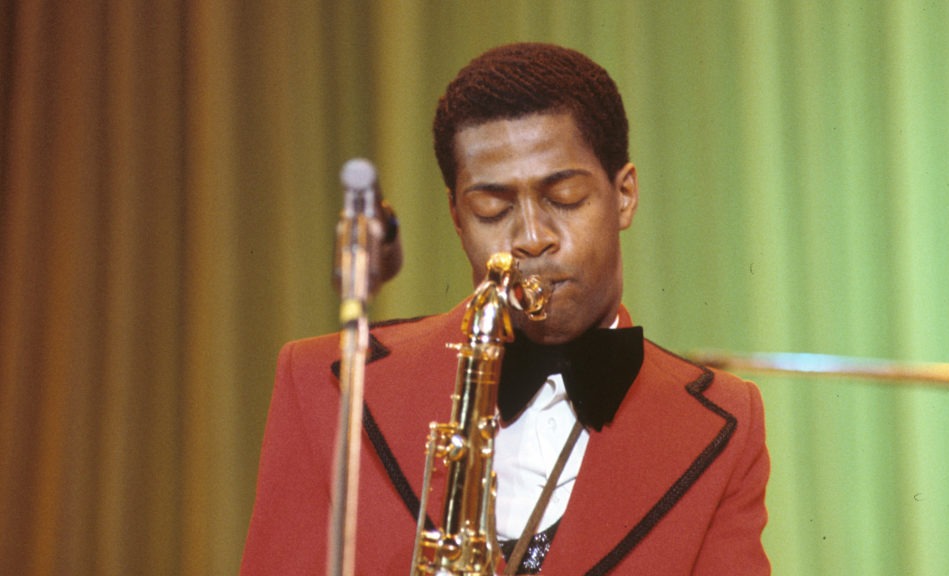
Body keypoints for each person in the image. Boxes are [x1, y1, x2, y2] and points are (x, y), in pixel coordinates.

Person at [241, 42, 770, 575]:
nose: (531, 239)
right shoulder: (326, 385)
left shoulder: (727, 421)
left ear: (625, 194)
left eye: (564, 197)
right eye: (492, 208)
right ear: (456, 215)